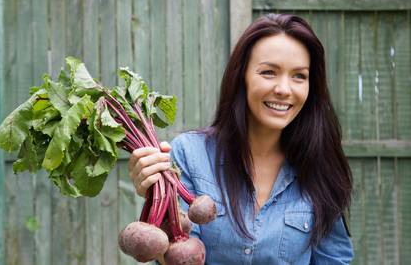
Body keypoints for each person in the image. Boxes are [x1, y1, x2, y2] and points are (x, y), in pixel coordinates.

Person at [129, 13, 354, 264]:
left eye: (299, 76)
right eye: (269, 72)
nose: (283, 89)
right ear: (242, 77)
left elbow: (334, 259)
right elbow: (176, 256)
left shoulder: (321, 167)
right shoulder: (189, 155)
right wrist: (156, 199)